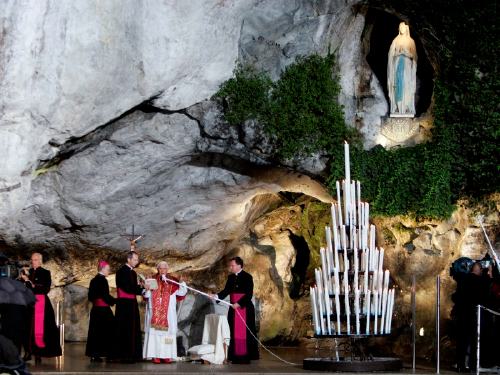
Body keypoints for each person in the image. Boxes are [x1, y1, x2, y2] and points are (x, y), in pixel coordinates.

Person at [210, 257, 259, 364]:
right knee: (233, 331)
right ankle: (234, 356)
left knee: (244, 333)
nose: (230, 267)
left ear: (239, 265)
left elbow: (249, 294)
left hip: (244, 308)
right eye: (230, 265)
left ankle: (244, 357)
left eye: (232, 265)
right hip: (233, 308)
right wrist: (216, 296)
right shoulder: (231, 277)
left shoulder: (247, 277)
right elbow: (226, 290)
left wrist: (239, 303)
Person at [143, 261, 187, 364]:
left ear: (167, 270)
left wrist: (182, 283)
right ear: (157, 269)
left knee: (168, 335)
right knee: (156, 334)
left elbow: (181, 293)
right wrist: (148, 290)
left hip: (168, 313)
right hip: (155, 312)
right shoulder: (152, 279)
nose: (162, 270)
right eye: (160, 268)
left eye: (164, 268)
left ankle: (167, 355)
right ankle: (156, 355)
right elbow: (146, 296)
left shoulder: (173, 281)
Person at [21, 253, 62, 362]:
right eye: (32, 260)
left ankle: (38, 353)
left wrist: (30, 284)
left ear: (40, 261)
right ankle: (28, 352)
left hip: (41, 304)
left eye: (35, 260)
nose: (33, 262)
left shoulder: (45, 273)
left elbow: (45, 289)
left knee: (40, 329)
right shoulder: (28, 273)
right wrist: (24, 280)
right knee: (27, 328)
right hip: (29, 304)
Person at [114, 251, 147, 363]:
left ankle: (134, 355)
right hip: (124, 304)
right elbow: (127, 287)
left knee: (133, 328)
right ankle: (125, 355)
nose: (137, 262)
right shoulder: (121, 271)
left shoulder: (133, 273)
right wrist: (141, 289)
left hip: (131, 303)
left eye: (137, 260)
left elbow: (132, 286)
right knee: (125, 329)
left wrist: (141, 286)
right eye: (135, 259)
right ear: (128, 259)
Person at [85, 260, 116, 362]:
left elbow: (90, 297)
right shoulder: (103, 280)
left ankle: (94, 355)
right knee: (109, 331)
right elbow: (105, 296)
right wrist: (115, 301)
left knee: (95, 333)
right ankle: (109, 354)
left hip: (95, 310)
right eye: (108, 269)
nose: (109, 271)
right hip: (103, 311)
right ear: (102, 269)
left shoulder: (93, 280)